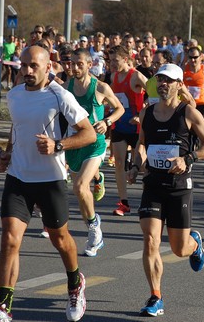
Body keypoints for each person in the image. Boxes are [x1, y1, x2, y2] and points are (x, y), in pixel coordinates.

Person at [0, 45, 96, 322]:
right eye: (24, 65)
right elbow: (19, 130)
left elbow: (89, 134)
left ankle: (75, 283)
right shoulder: (16, 94)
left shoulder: (60, 95)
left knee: (60, 239)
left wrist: (59, 145)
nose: (28, 71)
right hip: (18, 177)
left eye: (33, 66)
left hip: (50, 179)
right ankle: (4, 307)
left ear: (47, 67)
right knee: (9, 239)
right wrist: (7, 153)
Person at [126, 64, 204, 317]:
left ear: (179, 85)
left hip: (179, 188)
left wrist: (188, 158)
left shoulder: (188, 113)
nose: (163, 84)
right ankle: (156, 296)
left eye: (168, 80)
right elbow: (141, 145)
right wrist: (135, 166)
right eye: (160, 80)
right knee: (150, 239)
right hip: (153, 185)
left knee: (178, 249)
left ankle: (194, 244)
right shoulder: (147, 113)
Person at [64, 48, 125, 257]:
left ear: (89, 65)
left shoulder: (100, 87)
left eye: (79, 63)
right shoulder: (67, 87)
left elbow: (120, 109)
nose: (74, 67)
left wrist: (106, 121)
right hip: (75, 143)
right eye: (72, 63)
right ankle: (98, 179)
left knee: (81, 187)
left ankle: (94, 229)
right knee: (80, 193)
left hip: (95, 143)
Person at [109, 45, 147, 216]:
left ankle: (148, 201)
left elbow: (153, 95)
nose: (112, 64)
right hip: (120, 126)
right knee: (118, 162)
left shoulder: (136, 76)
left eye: (115, 60)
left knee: (144, 166)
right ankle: (123, 203)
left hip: (137, 128)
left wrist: (141, 115)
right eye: (110, 61)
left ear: (125, 59)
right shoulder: (114, 76)